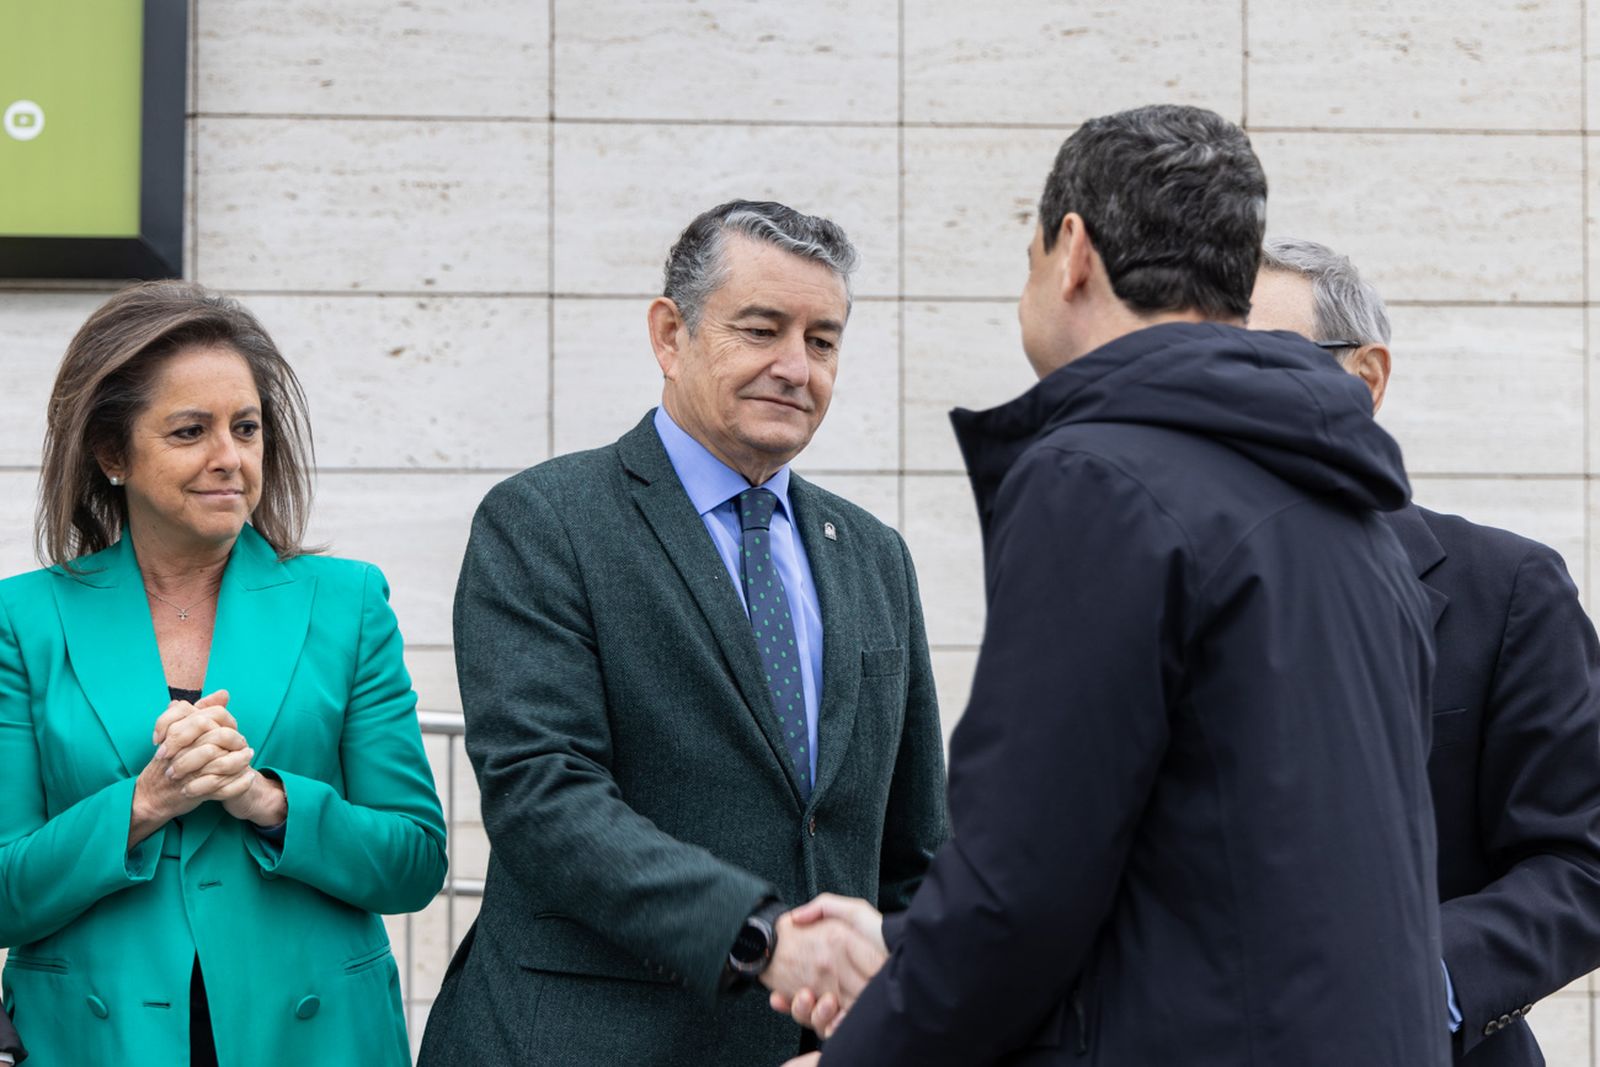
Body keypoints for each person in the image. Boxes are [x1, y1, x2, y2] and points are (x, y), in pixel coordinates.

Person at [779, 104, 1448, 1066]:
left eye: (1027, 258)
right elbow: (1215, 864)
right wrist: (903, 945)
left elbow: (1028, 878)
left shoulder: (1099, 478)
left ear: (1073, 254)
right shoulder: (1349, 506)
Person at [416, 200, 949, 1067]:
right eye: (761, 329)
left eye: (822, 340)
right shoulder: (545, 522)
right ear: (671, 335)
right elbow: (545, 795)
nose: (795, 366)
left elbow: (916, 844)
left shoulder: (875, 557)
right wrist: (759, 936)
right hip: (588, 1046)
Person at [0, 281, 448, 1066]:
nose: (229, 458)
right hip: (93, 1039)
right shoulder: (24, 620)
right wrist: (145, 801)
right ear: (112, 454)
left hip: (316, 1040)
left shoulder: (345, 604)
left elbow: (412, 859)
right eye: (188, 430)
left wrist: (264, 798)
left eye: (246, 427)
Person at [1250, 235, 1600, 1065]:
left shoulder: (1506, 588)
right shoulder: (1141, 596)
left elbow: (1584, 855)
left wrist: (1418, 973)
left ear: (1364, 379)